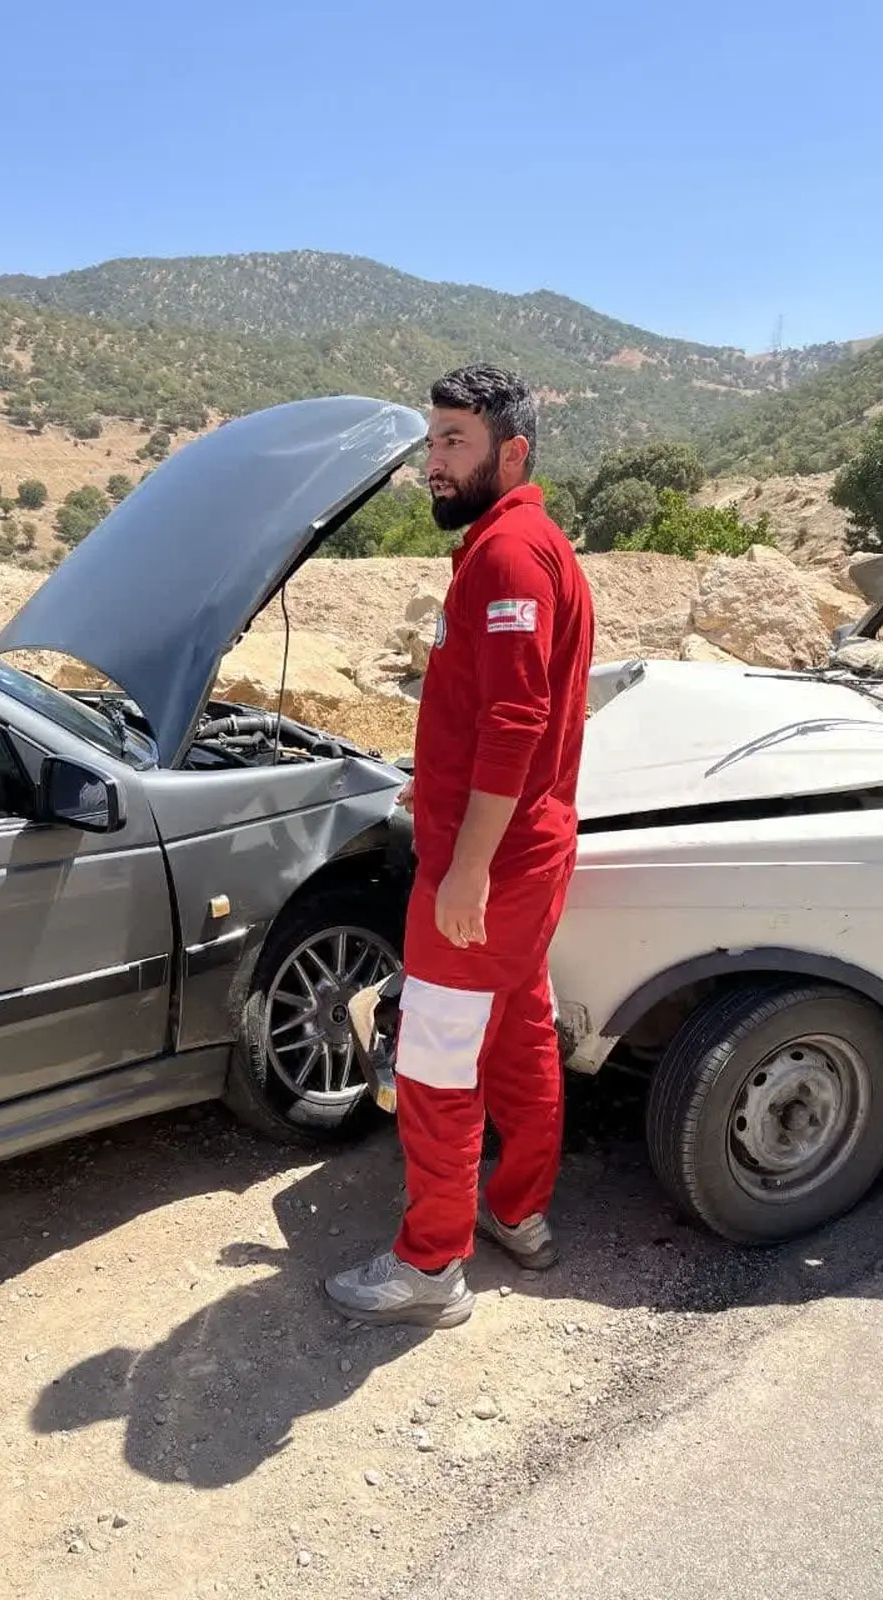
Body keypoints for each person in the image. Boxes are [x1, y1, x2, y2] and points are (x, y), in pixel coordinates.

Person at [325, 365, 595, 1329]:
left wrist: (467, 865)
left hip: (491, 866)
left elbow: (516, 723)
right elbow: (491, 711)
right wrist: (432, 783)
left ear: (511, 453)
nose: (433, 464)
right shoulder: (525, 545)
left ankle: (431, 1265)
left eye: (455, 444)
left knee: (437, 1062)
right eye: (432, 442)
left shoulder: (510, 557)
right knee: (520, 1034)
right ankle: (518, 1212)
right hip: (522, 854)